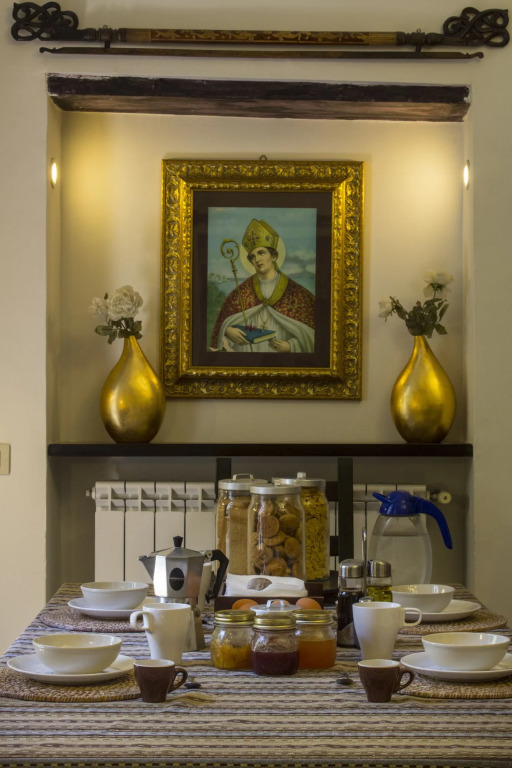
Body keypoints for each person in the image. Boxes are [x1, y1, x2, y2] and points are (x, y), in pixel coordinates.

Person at [210, 219, 315, 353]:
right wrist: (228, 330)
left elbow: (312, 335)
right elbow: (222, 324)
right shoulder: (242, 291)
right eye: (252, 257)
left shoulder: (295, 293)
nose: (257, 260)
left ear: (274, 256)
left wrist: (291, 346)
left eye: (261, 253)